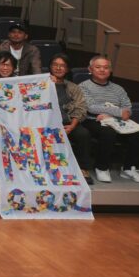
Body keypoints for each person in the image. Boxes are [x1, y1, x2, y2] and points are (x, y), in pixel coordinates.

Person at [78, 56, 139, 184]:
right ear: (90, 69)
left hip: (116, 120)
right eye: (98, 67)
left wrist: (111, 115)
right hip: (92, 120)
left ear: (110, 70)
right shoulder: (83, 86)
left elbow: (127, 108)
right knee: (108, 132)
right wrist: (119, 112)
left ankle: (129, 169)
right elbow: (92, 108)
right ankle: (102, 167)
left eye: (106, 67)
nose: (102, 70)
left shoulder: (118, 88)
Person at [49, 53, 94, 185]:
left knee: (83, 134)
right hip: (46, 123)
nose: (58, 68)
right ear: (50, 67)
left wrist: (72, 126)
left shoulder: (73, 87)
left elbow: (80, 108)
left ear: (67, 69)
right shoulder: (41, 84)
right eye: (55, 65)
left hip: (67, 122)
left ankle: (83, 169)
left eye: (62, 65)